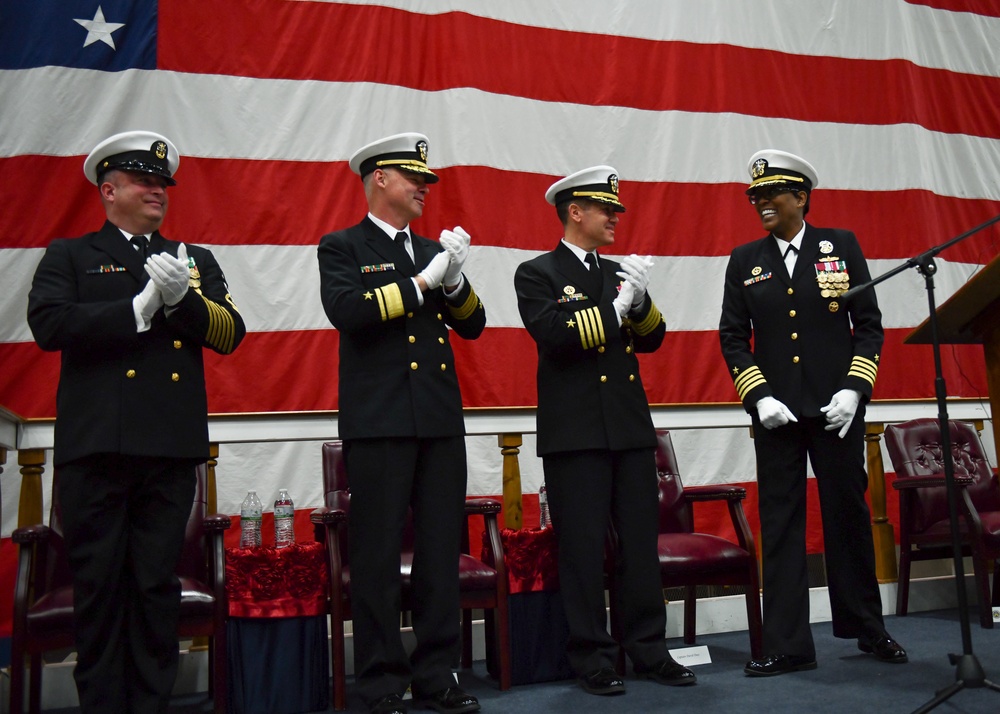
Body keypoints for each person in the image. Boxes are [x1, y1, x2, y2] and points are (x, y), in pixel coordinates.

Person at [26, 130, 246, 713]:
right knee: (99, 591)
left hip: (167, 451)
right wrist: (137, 309)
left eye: (162, 184)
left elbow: (230, 333)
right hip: (97, 450)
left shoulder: (192, 261)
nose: (157, 190)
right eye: (144, 181)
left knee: (155, 589)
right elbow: (49, 324)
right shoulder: (71, 255)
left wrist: (181, 302)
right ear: (109, 190)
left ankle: (150, 705)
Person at [719, 149, 908, 676]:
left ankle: (868, 627)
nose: (761, 204)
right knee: (781, 525)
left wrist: (854, 391)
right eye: (754, 197)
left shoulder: (839, 246)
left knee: (848, 518)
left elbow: (867, 326)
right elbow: (733, 338)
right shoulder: (745, 259)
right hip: (777, 414)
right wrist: (758, 397)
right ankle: (788, 644)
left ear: (800, 196)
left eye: (770, 195)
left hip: (834, 411)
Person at [317, 132, 486, 714]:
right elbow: (350, 311)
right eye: (414, 178)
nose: (423, 188)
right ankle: (381, 680)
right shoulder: (342, 246)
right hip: (380, 422)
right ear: (379, 179)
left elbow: (474, 325)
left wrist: (455, 279)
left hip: (438, 420)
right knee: (377, 558)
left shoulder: (431, 250)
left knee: (440, 553)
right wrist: (421, 282)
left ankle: (438, 674)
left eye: (427, 181)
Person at [514, 166, 696, 696]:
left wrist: (638, 302)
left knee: (640, 546)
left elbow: (655, 337)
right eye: (605, 209)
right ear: (575, 212)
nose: (616, 217)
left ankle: (648, 649)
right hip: (575, 436)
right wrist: (614, 308)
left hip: (629, 428)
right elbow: (553, 333)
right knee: (583, 548)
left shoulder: (620, 271)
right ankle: (591, 655)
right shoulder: (538, 272)